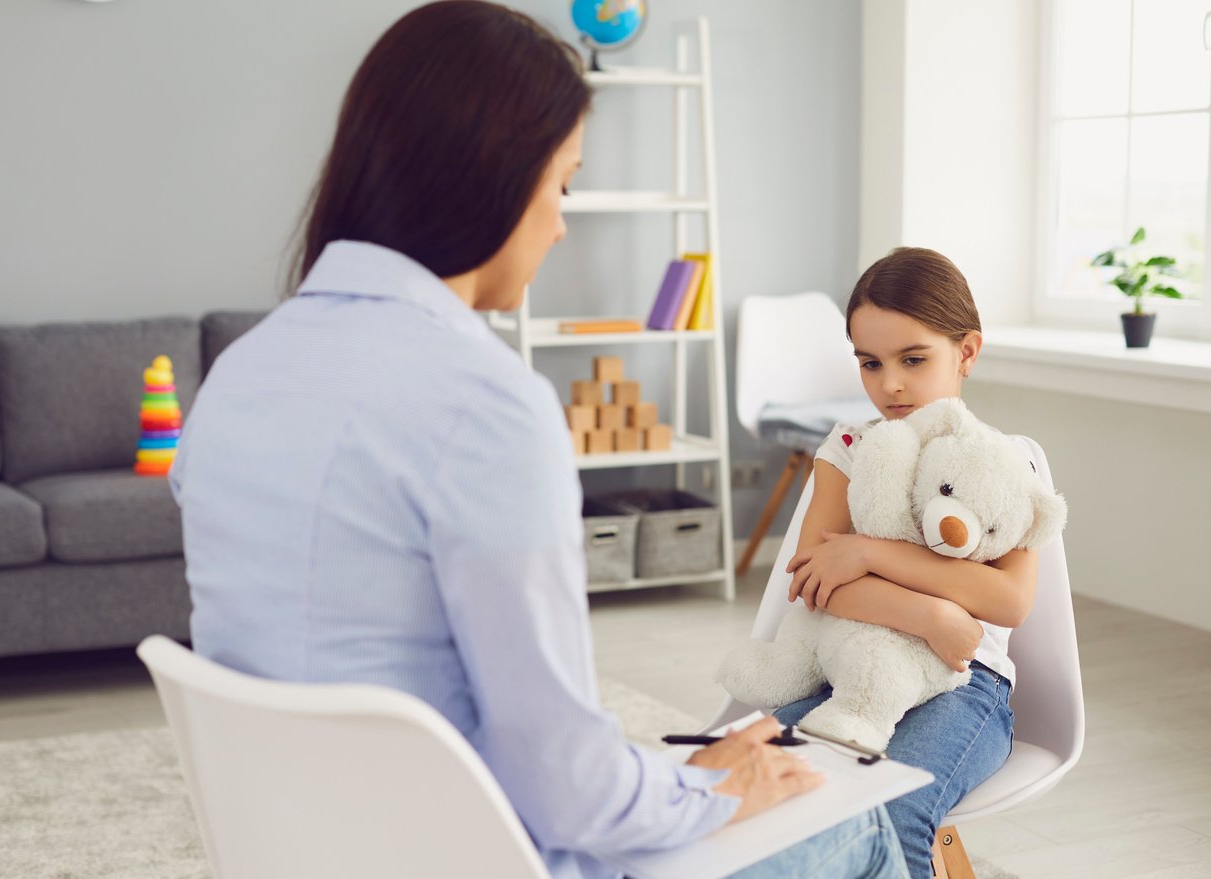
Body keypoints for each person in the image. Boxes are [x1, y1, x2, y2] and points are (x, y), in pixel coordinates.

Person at [169, 2, 907, 877]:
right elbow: (566, 789)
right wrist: (703, 790)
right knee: (852, 819)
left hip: (307, 848)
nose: (561, 222)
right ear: (495, 175)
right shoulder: (485, 407)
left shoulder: (236, 379)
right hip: (470, 855)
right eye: (561, 182)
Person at [776, 246, 1035, 878]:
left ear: (966, 352)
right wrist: (931, 615)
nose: (889, 383)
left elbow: (1007, 602)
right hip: (848, 674)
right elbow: (817, 584)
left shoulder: (1002, 460)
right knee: (759, 789)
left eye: (912, 360)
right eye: (870, 362)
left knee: (891, 810)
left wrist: (866, 553)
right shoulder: (845, 448)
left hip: (966, 683)